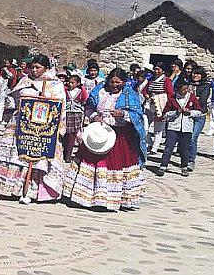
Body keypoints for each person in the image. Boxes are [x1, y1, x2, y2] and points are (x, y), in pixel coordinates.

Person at [63, 68, 146, 211]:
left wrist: (122, 113)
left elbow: (137, 115)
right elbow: (88, 107)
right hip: (98, 134)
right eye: (112, 82)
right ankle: (85, 196)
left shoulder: (130, 94)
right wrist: (95, 116)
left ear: (124, 82)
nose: (114, 85)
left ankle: (110, 199)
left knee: (111, 166)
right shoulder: (99, 91)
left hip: (119, 137)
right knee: (91, 163)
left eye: (118, 82)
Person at [0, 54, 67, 204]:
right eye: (33, 67)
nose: (34, 70)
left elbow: (60, 107)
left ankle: (31, 189)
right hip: (20, 123)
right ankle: (12, 187)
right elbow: (14, 98)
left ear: (46, 68)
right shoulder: (25, 80)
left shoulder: (54, 84)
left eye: (38, 67)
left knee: (37, 157)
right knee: (17, 154)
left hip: (42, 128)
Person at [156, 79, 202, 177]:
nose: (185, 91)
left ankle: (184, 167)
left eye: (186, 89)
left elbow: (199, 112)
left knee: (184, 149)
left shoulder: (192, 98)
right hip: (173, 127)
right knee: (169, 148)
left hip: (187, 128)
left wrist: (190, 112)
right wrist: (176, 112)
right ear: (177, 90)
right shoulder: (172, 99)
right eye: (183, 89)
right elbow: (165, 114)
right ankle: (163, 166)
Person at [143, 62, 174, 155]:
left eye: (158, 69)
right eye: (155, 69)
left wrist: (166, 107)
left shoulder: (166, 80)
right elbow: (145, 90)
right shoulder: (151, 80)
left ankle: (155, 148)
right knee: (145, 126)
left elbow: (170, 94)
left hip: (160, 106)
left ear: (162, 71)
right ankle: (149, 143)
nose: (156, 71)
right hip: (149, 105)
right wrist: (147, 95)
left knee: (158, 128)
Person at [187, 67, 211, 170]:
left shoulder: (206, 86)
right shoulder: (188, 84)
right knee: (186, 137)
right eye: (193, 73)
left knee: (193, 138)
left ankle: (191, 161)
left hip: (199, 115)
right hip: (188, 114)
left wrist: (191, 101)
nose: (195, 75)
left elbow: (202, 100)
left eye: (197, 74)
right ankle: (185, 156)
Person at [63, 74, 88, 162]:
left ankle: (70, 155)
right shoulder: (65, 91)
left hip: (76, 114)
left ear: (77, 83)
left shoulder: (81, 91)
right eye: (69, 82)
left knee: (74, 134)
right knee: (66, 133)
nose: (70, 84)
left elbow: (85, 100)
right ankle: (65, 153)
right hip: (66, 113)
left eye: (72, 83)